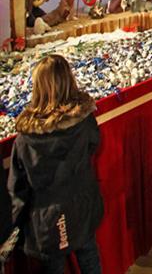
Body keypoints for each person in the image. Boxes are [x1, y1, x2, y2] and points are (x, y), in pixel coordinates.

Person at [8, 55, 103, 274]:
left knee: (54, 267)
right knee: (89, 258)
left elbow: (17, 189)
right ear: (69, 81)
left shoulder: (24, 140)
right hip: (82, 208)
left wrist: (14, 228)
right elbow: (93, 144)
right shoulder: (85, 121)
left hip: (47, 221)